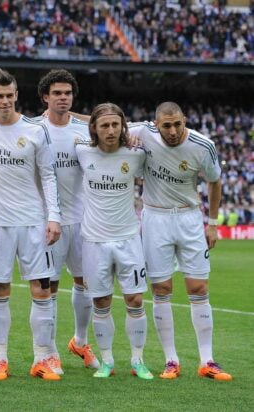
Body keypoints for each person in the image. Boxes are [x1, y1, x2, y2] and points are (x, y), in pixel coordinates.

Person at [129, 102, 232, 381]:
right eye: (166, 126)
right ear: (156, 123)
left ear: (184, 120)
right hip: (155, 218)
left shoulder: (203, 145)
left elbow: (214, 181)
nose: (173, 131)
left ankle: (207, 360)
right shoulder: (142, 132)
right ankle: (170, 360)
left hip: (189, 219)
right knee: (161, 288)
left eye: (178, 124)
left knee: (198, 287)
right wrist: (64, 116)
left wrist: (212, 224)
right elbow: (103, 121)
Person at [0, 69, 62, 381]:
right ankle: (1, 360)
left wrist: (54, 217)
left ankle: (41, 359)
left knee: (41, 290)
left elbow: (49, 175)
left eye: (10, 95)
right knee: (0, 289)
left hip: (32, 221)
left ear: (16, 96)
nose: (5, 101)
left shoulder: (36, 131)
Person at [75, 103, 152, 380]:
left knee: (134, 299)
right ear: (94, 127)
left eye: (115, 125)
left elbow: (155, 128)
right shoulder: (82, 150)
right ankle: (107, 361)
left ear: (123, 127)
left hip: (128, 238)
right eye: (104, 125)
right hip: (94, 241)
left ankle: (138, 360)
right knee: (101, 302)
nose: (110, 130)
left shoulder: (136, 154)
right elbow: (57, 121)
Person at [36, 69, 99, 374]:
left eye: (67, 93)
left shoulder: (87, 130)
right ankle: (50, 352)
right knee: (48, 287)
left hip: (82, 219)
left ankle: (80, 341)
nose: (62, 98)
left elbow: (120, 122)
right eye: (57, 93)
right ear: (45, 97)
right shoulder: (34, 128)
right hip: (48, 221)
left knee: (86, 283)